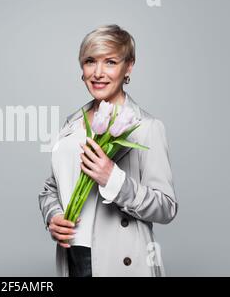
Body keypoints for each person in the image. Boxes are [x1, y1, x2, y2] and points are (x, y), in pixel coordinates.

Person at [38, 24, 178, 277]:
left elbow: (166, 207)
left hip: (120, 261)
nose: (98, 73)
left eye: (111, 62)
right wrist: (54, 216)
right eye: (90, 61)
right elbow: (50, 188)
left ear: (129, 67)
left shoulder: (147, 127)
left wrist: (114, 179)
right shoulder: (73, 123)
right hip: (73, 256)